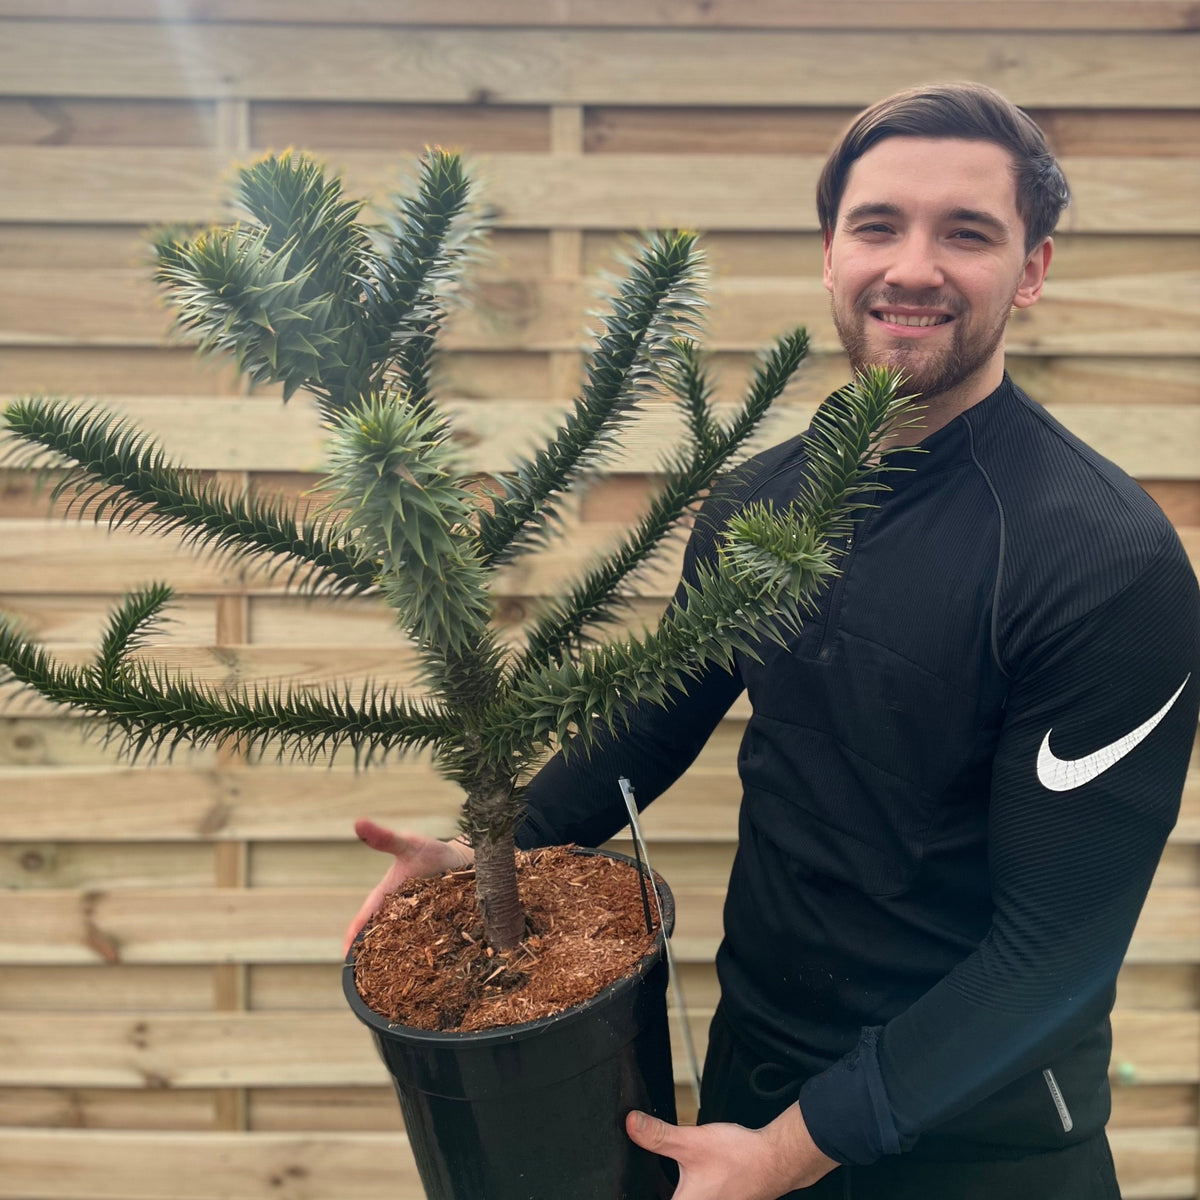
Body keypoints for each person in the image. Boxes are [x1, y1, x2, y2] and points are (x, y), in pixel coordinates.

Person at [345, 82, 1200, 1199]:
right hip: (752, 1077)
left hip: (973, 1134)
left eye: (968, 233)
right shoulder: (763, 498)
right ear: (831, 255)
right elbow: (658, 719)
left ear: (1031, 270)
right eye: (878, 225)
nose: (913, 266)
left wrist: (795, 1151)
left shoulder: (1100, 560)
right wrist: (494, 853)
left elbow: (1058, 951)